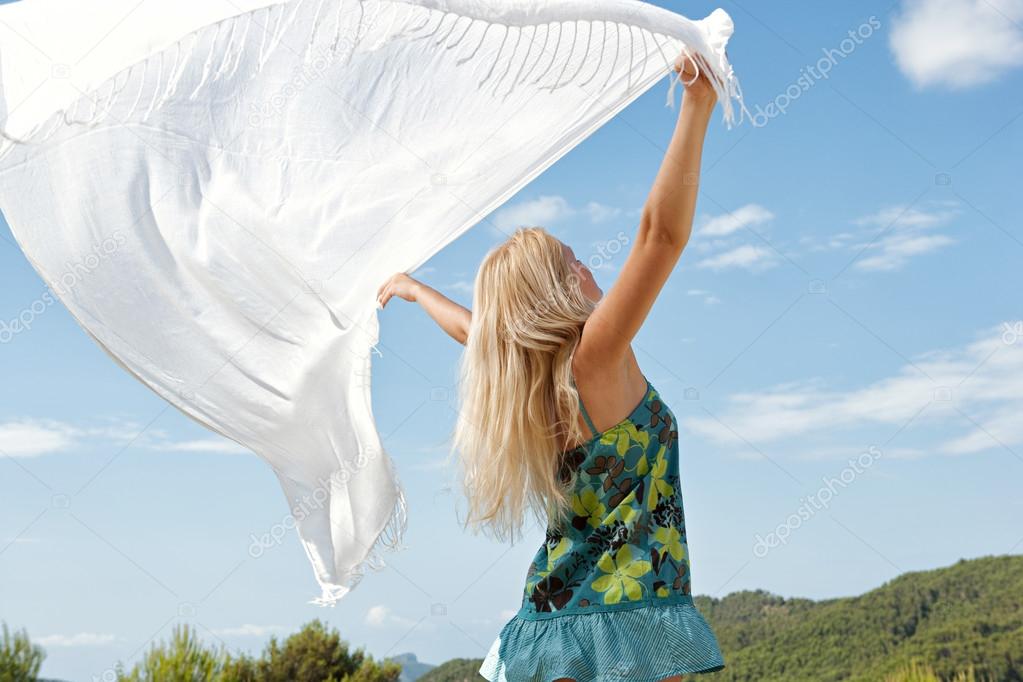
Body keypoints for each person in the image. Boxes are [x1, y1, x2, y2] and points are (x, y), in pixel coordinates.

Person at [376, 53, 724, 682]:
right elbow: (658, 238)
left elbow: (475, 333)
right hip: (630, 620)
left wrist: (413, 289)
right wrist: (696, 108)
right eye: (576, 262)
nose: (591, 269)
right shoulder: (596, 356)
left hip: (550, 623)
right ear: (556, 293)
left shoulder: (533, 386)